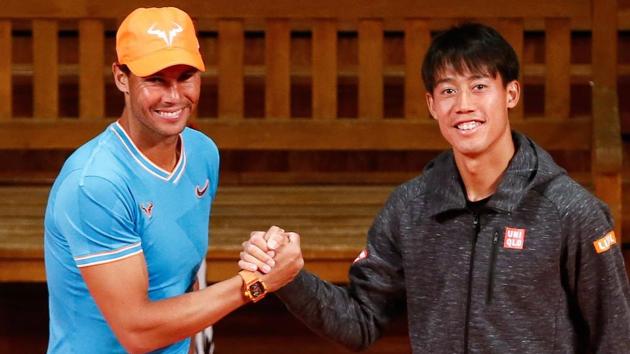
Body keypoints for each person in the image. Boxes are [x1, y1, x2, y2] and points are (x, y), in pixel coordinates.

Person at [239, 23, 630, 353]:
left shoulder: (572, 212)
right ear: (431, 104)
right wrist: (288, 277)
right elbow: (359, 321)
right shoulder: (410, 208)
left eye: (479, 86)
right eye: (447, 91)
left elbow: (616, 337)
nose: (462, 104)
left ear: (511, 93)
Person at [44, 7, 302, 354]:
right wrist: (256, 283)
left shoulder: (202, 153)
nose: (174, 96)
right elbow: (138, 332)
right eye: (155, 80)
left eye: (185, 76)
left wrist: (264, 256)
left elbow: (186, 277)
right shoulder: (95, 184)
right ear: (121, 77)